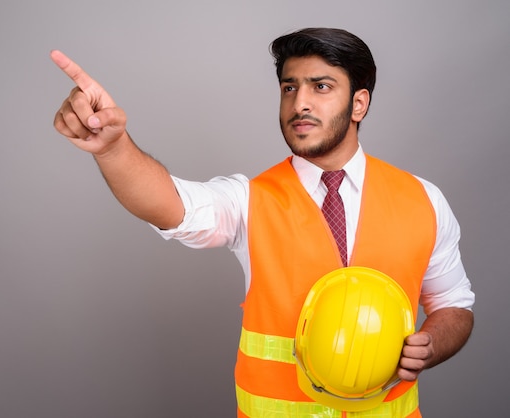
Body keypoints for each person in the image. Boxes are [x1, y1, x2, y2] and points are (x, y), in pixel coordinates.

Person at [51, 27, 474, 417]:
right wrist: (113, 148)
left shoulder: (424, 200)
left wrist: (432, 344)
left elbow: (454, 305)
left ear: (358, 103)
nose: (299, 103)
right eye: (289, 88)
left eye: (320, 87)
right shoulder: (249, 199)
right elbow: (170, 204)